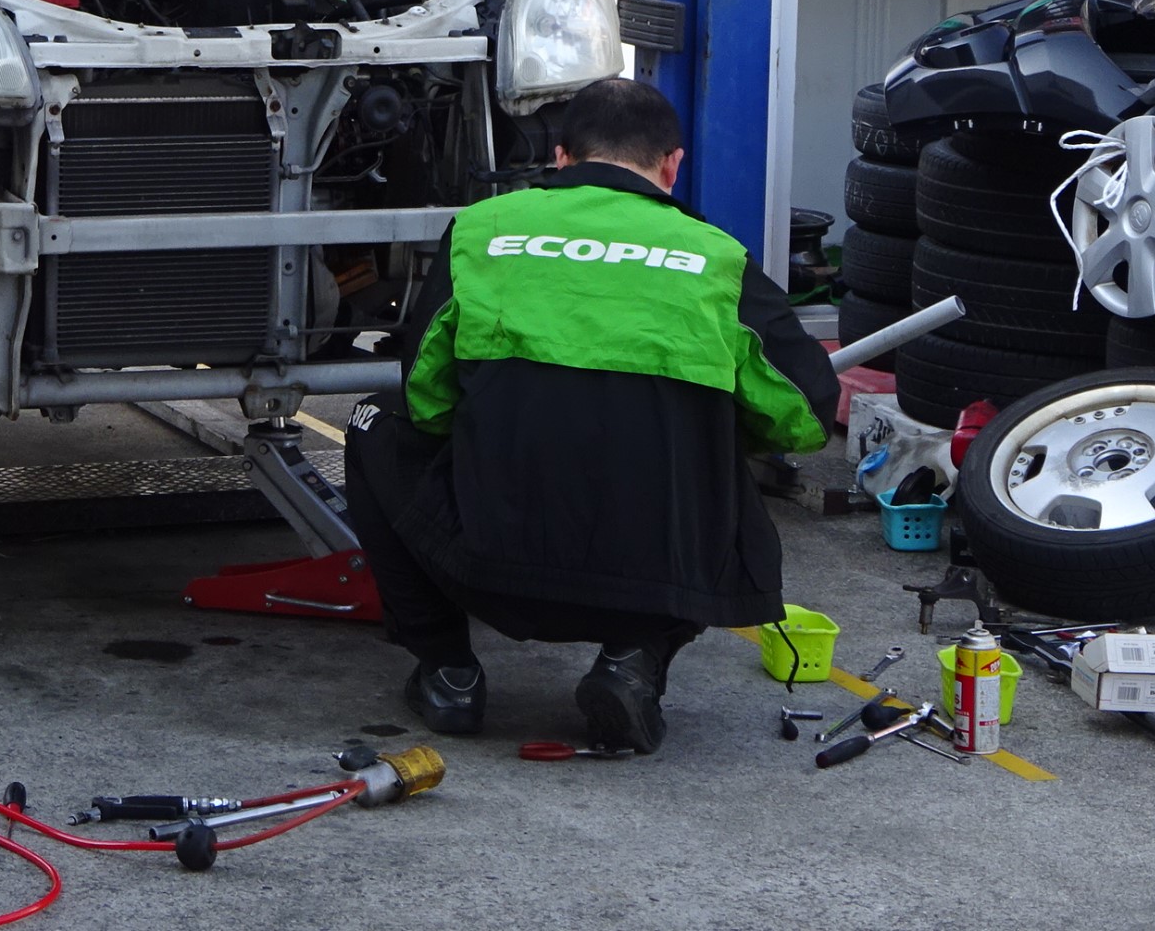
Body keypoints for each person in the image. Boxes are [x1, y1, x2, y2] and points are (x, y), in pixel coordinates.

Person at [341, 77, 835, 754]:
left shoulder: (484, 230)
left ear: (561, 159)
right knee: (718, 437)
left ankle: (448, 671)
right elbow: (806, 415)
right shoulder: (717, 259)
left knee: (374, 420)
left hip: (492, 571)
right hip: (663, 579)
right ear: (672, 165)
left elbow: (425, 395)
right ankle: (634, 659)